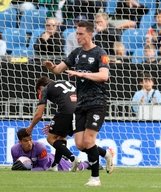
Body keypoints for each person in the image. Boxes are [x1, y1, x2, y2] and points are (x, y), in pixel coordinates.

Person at [42, 20, 112, 187]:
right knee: (81, 145)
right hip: (80, 103)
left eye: (80, 33)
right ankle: (106, 153)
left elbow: (104, 76)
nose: (77, 36)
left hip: (97, 102)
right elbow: (59, 70)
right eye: (77, 33)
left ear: (89, 34)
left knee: (88, 140)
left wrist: (81, 74)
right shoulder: (76, 53)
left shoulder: (100, 53)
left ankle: (95, 178)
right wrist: (51, 68)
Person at [25, 76, 80, 171]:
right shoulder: (63, 82)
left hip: (66, 111)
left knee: (50, 138)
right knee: (61, 137)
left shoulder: (44, 89)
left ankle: (72, 158)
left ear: (40, 88)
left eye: (38, 93)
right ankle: (55, 165)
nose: (39, 95)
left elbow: (39, 115)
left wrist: (30, 127)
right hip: (79, 111)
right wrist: (54, 125)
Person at [11, 128, 90, 171]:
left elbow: (44, 168)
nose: (29, 143)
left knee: (79, 168)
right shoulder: (14, 150)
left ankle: (89, 164)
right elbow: (17, 166)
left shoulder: (40, 147)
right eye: (26, 140)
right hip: (36, 166)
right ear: (20, 141)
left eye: (30, 139)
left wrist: (29, 170)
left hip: (53, 164)